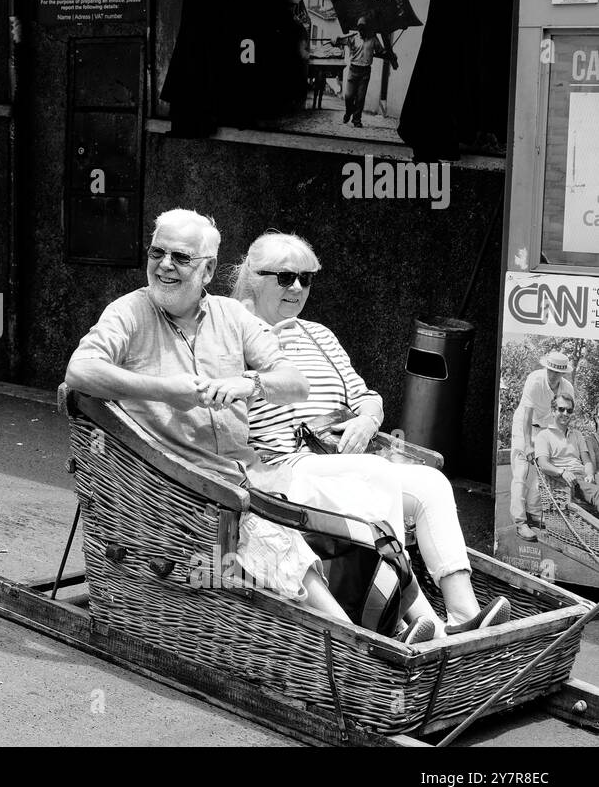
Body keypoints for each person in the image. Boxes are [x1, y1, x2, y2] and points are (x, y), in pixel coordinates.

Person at [64, 209, 359, 625]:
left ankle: (418, 623)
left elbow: (294, 381)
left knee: (359, 509)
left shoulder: (231, 315)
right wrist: (168, 389)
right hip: (179, 482)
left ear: (208, 270)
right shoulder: (129, 312)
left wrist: (249, 384)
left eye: (180, 258)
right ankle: (355, 642)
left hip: (252, 472)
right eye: (157, 252)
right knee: (271, 534)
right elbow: (79, 372)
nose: (165, 265)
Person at [229, 231, 512, 638]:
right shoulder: (232, 334)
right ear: (253, 277)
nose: (297, 288)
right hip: (284, 470)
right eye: (285, 277)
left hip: (339, 461)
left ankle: (462, 616)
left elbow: (367, 398)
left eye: (306, 279)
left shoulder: (319, 335)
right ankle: (395, 617)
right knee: (372, 475)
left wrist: (367, 419)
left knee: (430, 483)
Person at [512, 351, 576, 540]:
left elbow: (564, 417)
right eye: (550, 370)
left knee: (543, 473)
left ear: (563, 373)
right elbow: (527, 414)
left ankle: (533, 514)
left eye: (557, 372)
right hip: (524, 425)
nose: (553, 374)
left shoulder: (567, 388)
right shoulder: (535, 380)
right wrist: (528, 445)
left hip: (545, 429)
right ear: (546, 368)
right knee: (521, 473)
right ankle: (520, 522)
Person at [531, 394, 599, 515]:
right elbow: (543, 464)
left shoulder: (577, 434)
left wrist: (589, 474)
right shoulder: (543, 435)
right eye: (561, 409)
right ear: (553, 411)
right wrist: (562, 472)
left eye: (569, 410)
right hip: (566, 481)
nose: (566, 413)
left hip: (583, 479)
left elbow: (587, 460)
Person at [329, 14, 398, 128]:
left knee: (360, 98)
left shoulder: (373, 39)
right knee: (348, 96)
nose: (361, 31)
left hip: (365, 71)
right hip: (353, 69)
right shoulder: (353, 37)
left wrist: (390, 54)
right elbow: (336, 42)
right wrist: (334, 40)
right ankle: (348, 112)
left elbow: (380, 51)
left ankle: (357, 120)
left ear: (368, 29)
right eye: (360, 29)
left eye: (363, 29)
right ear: (357, 28)